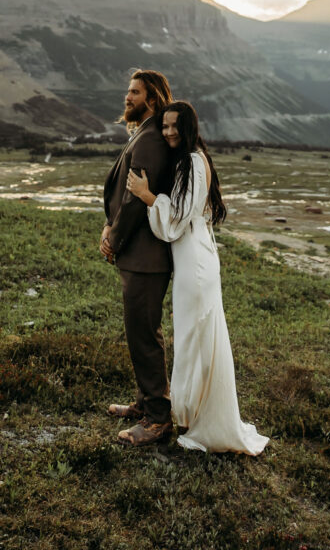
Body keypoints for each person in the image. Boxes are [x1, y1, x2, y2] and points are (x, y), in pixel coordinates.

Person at [126, 101, 269, 455]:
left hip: (195, 261)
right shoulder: (192, 160)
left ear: (189, 127)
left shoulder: (191, 161)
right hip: (195, 257)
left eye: (175, 126)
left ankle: (199, 419)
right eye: (165, 126)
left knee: (195, 336)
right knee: (195, 336)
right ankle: (192, 414)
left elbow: (175, 223)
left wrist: (146, 196)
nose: (169, 132)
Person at [101, 69, 175, 447]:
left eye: (134, 92)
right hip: (139, 254)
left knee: (144, 335)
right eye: (127, 91)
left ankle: (159, 420)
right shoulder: (145, 133)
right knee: (139, 331)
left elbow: (133, 201)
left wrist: (114, 236)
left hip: (146, 256)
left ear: (151, 98)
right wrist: (108, 226)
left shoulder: (149, 140)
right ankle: (146, 403)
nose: (127, 97)